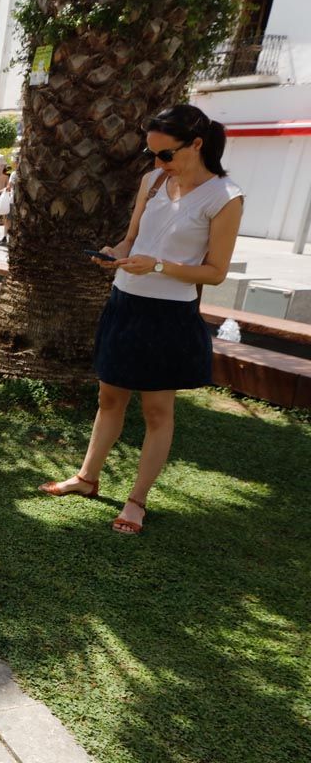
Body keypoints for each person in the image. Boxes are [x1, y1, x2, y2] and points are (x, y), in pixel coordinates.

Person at [40, 104, 244, 536]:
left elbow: (216, 272)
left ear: (197, 145)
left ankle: (136, 501)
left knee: (156, 410)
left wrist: (156, 267)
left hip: (168, 314)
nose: (157, 164)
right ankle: (87, 479)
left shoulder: (224, 197)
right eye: (151, 155)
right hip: (124, 302)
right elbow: (131, 239)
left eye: (166, 155)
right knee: (109, 399)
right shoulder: (152, 182)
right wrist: (114, 255)